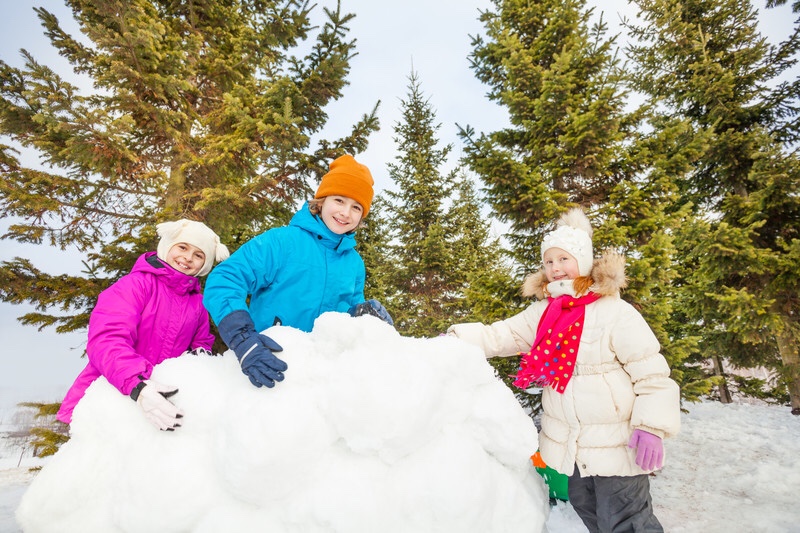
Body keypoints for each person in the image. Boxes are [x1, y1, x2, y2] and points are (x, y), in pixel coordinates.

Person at [447, 208, 680, 532]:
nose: (556, 268)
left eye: (564, 259)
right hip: (569, 446)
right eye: (549, 261)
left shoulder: (614, 311)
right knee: (590, 514)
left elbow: (652, 374)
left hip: (616, 443)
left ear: (582, 261)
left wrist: (652, 426)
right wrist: (455, 337)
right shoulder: (544, 311)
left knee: (627, 521)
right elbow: (504, 335)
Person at [203, 154, 393, 389]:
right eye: (339, 200)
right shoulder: (282, 241)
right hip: (267, 366)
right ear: (322, 201)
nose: (346, 213)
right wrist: (242, 338)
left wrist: (363, 315)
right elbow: (225, 279)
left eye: (356, 207)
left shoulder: (354, 263)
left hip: (323, 379)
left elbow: (344, 317)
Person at [56, 219, 230, 431]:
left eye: (198, 255)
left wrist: (200, 357)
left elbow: (201, 344)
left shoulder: (197, 305)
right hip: (107, 395)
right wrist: (137, 384)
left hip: (157, 406)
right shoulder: (135, 285)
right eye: (183, 247)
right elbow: (107, 339)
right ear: (168, 246)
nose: (188, 258)